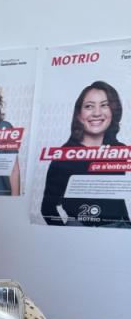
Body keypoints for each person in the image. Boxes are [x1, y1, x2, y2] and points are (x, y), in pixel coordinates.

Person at [40, 81, 130, 228]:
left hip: (119, 227)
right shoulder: (64, 155)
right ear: (78, 114)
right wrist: (66, 233)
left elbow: (119, 201)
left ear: (113, 111)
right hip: (79, 229)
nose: (97, 113)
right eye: (89, 106)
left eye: (104, 105)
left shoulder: (120, 150)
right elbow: (48, 208)